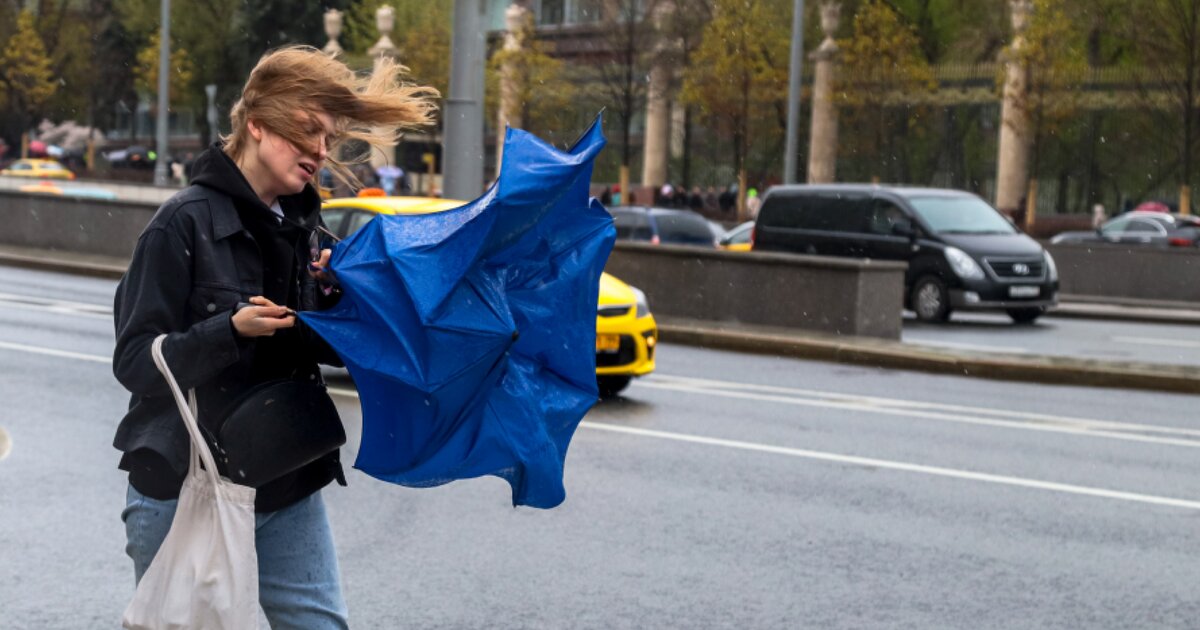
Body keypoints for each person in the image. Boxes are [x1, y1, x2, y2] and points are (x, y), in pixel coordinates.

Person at [112, 46, 436, 628]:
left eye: (329, 139)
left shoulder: (310, 233)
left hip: (286, 479)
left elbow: (335, 354)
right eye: (308, 131)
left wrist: (338, 299)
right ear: (257, 123)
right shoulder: (180, 226)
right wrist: (227, 331)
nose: (319, 151)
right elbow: (135, 362)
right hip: (185, 485)